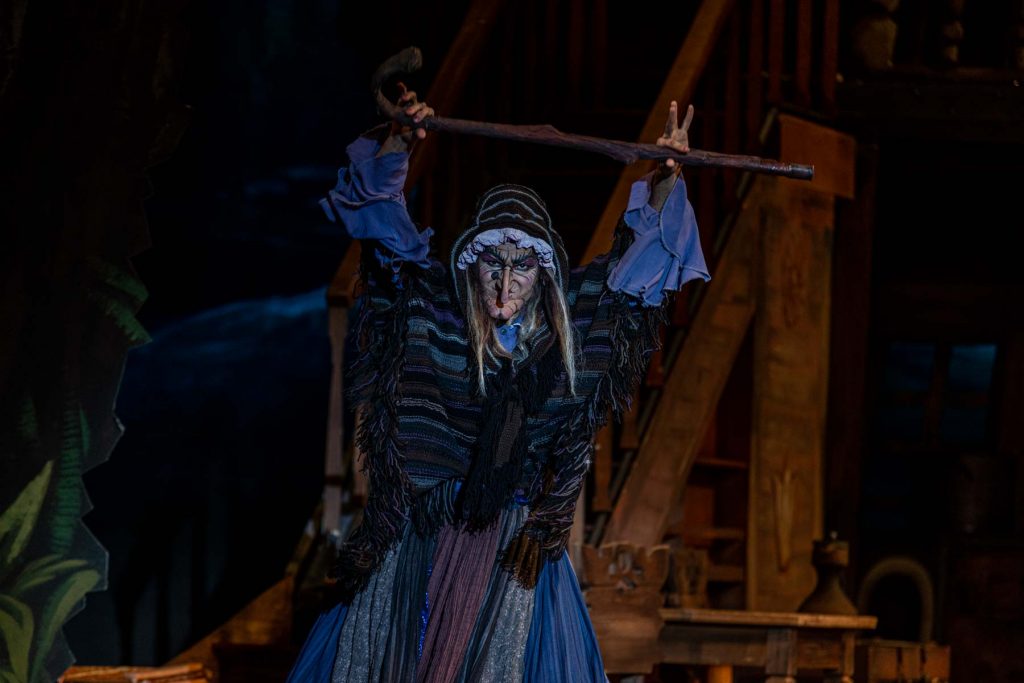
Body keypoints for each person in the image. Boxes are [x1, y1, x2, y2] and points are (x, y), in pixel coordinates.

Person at [287, 87, 709, 682]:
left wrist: (665, 179)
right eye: (493, 263)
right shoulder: (435, 313)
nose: (505, 284)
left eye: (523, 266)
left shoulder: (565, 334)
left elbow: (638, 271)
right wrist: (400, 141)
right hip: (418, 538)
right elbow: (385, 237)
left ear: (543, 272)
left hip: (513, 549)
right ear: (471, 263)